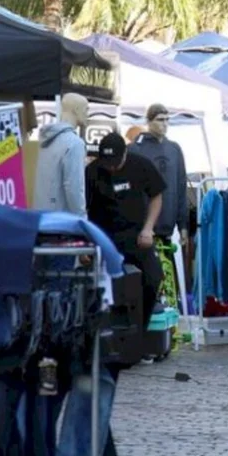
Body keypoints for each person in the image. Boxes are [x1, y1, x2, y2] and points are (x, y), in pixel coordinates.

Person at [86, 133, 165, 328]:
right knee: (105, 287)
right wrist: (87, 241)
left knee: (153, 278)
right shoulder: (92, 172)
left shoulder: (141, 165)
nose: (112, 168)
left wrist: (148, 228)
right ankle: (108, 332)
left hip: (136, 236)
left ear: (125, 154)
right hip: (104, 238)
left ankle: (140, 329)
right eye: (107, 163)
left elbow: (156, 196)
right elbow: (82, 209)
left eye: (116, 163)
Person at [129, 104, 188, 247]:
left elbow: (181, 188)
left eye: (167, 120)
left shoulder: (174, 149)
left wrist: (183, 226)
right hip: (142, 230)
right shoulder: (135, 149)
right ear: (149, 122)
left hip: (167, 228)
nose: (165, 124)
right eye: (160, 120)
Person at [34, 93, 88, 215]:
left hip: (41, 215)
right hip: (62, 220)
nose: (87, 114)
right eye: (86, 109)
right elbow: (74, 188)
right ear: (76, 110)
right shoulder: (74, 144)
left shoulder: (45, 140)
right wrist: (81, 218)